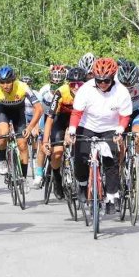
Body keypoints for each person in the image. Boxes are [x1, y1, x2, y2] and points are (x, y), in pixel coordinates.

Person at [66, 58, 132, 214]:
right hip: (87, 125)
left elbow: (125, 115)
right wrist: (72, 131)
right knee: (80, 157)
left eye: (106, 81)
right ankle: (82, 185)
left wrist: (120, 131)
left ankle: (111, 196)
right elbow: (76, 113)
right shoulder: (86, 89)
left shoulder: (121, 91)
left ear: (113, 78)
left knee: (112, 160)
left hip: (110, 127)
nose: (102, 84)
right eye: (99, 80)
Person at [0, 66, 42, 187]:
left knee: (22, 144)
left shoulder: (23, 87)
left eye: (8, 82)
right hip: (3, 112)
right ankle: (2, 160)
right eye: (2, 82)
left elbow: (39, 109)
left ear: (13, 80)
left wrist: (30, 127)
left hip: (18, 113)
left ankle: (23, 177)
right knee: (3, 133)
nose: (5, 85)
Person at [42, 67, 85, 200]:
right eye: (73, 84)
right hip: (60, 120)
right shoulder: (61, 92)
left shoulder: (90, 92)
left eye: (80, 84)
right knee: (57, 152)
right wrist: (45, 142)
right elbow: (49, 118)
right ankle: (57, 177)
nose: (76, 88)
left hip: (80, 121)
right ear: (68, 84)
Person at [35, 65, 67, 181]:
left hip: (59, 117)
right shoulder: (44, 90)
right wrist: (36, 126)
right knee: (42, 141)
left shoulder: (65, 89)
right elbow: (37, 109)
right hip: (45, 116)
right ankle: (38, 172)